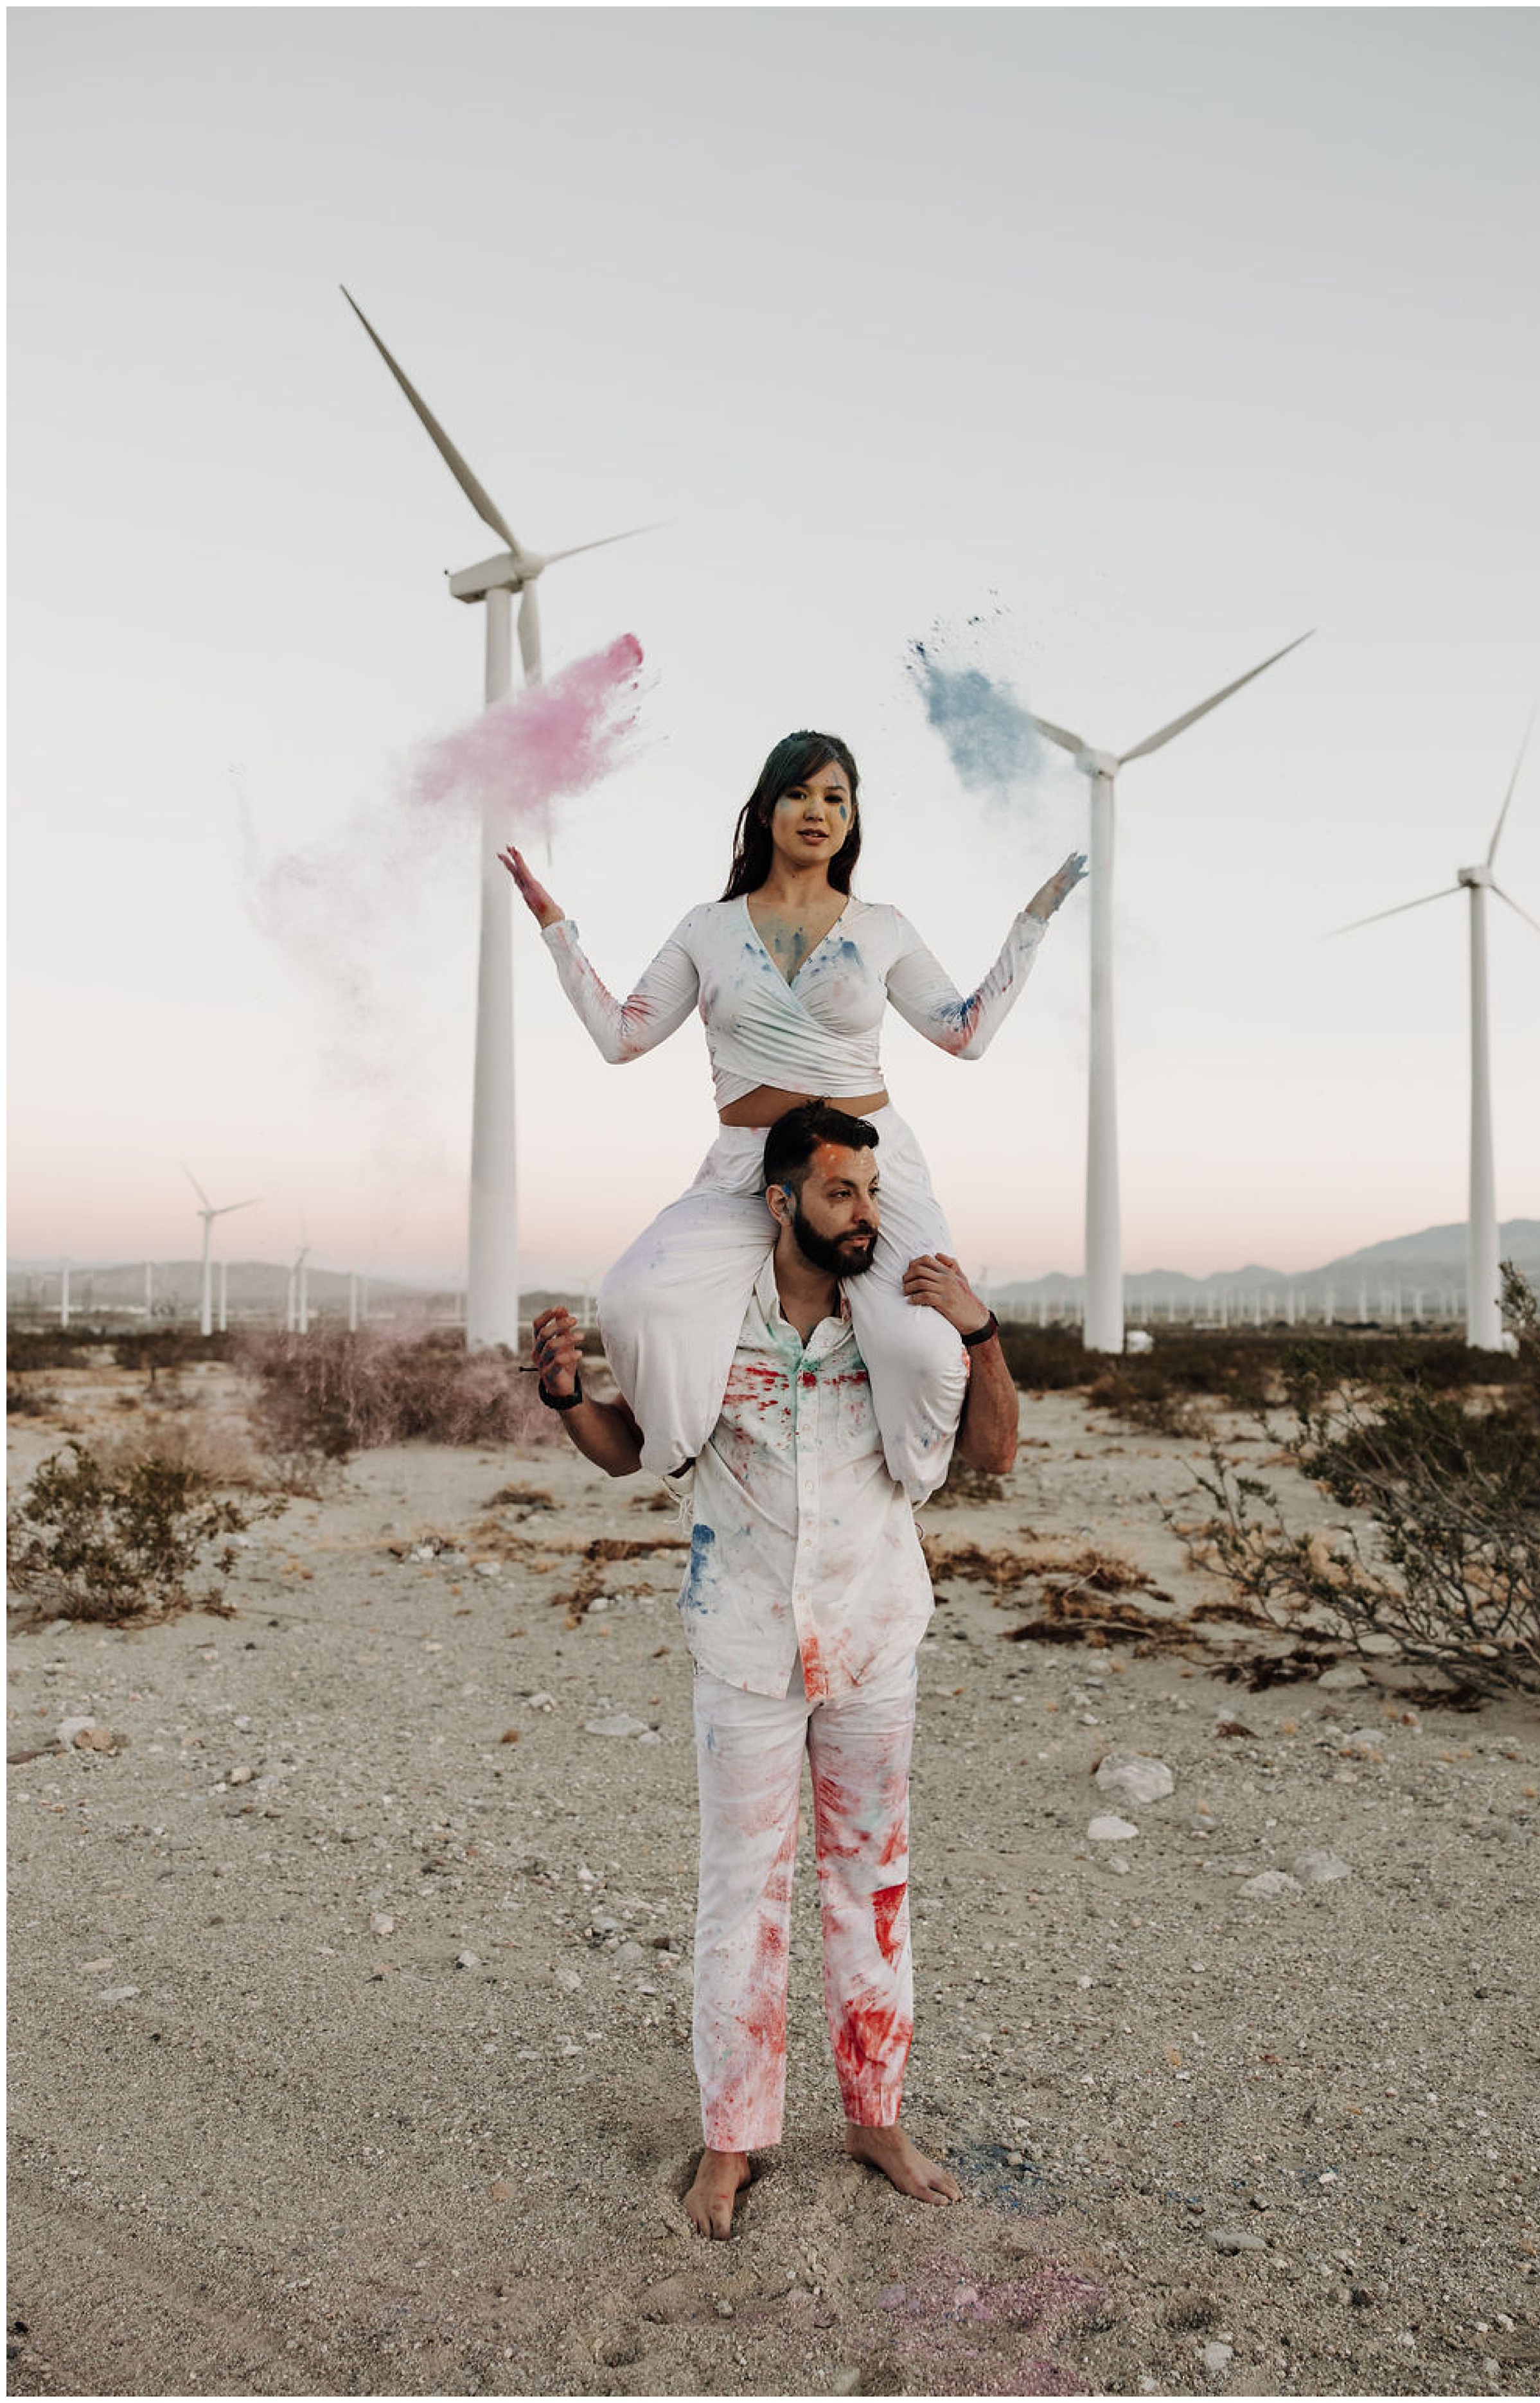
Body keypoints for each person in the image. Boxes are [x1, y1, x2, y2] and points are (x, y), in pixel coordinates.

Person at [529, 1101, 1020, 2239]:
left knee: (873, 1886)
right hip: (743, 1649)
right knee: (739, 1901)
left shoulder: (902, 1330)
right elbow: (635, 1451)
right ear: (781, 1199)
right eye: (842, 1193)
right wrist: (564, 1401)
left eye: (873, 1195)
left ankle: (875, 2117)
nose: (865, 1215)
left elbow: (993, 1454)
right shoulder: (708, 1327)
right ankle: (733, 2140)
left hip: (871, 1644)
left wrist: (981, 1330)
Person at [500, 727, 1080, 1503]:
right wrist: (555, 928)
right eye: (799, 792)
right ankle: (678, 1448)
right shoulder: (708, 926)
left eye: (835, 797)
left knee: (920, 1342)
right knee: (635, 1298)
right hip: (748, 1164)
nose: (818, 810)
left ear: (852, 820)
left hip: (870, 1169)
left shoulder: (883, 926)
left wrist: (1031, 923)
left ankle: (909, 1479)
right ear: (765, 810)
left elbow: (963, 1034)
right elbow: (622, 1036)